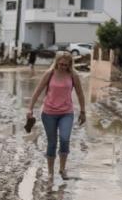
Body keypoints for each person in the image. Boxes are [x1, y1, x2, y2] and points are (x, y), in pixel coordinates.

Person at [27, 51, 86, 182]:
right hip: (49, 113)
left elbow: (80, 94)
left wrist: (83, 111)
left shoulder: (73, 75)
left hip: (66, 112)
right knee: (52, 142)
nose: (62, 67)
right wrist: (30, 108)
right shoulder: (49, 74)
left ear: (70, 64)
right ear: (56, 62)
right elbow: (37, 91)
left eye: (65, 65)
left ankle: (62, 169)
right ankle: (50, 173)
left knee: (65, 139)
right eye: (60, 64)